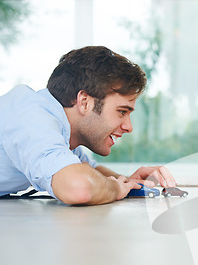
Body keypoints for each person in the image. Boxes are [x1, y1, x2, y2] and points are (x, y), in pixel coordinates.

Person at [0, 45, 176, 205]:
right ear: (84, 102)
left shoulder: (60, 131)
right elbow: (79, 187)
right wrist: (115, 188)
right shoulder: (32, 118)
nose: (129, 127)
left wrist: (128, 182)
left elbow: (91, 172)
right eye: (122, 111)